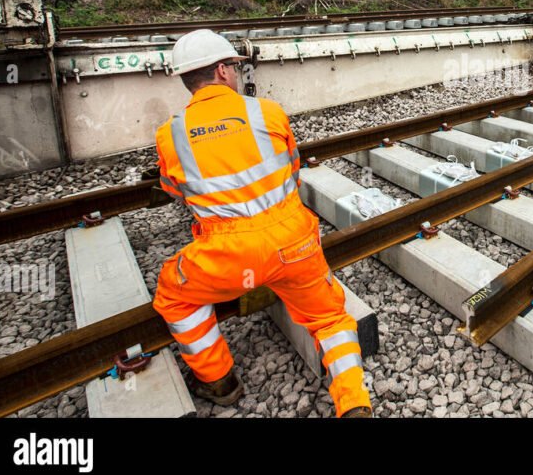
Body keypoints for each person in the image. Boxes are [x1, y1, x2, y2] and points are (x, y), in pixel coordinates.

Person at [152, 29, 373, 417]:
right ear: (221, 70)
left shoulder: (169, 135)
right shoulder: (267, 112)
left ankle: (220, 381)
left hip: (224, 255)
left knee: (174, 294)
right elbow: (292, 170)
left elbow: (174, 189)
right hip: (292, 243)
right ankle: (354, 403)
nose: (237, 73)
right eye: (234, 68)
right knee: (329, 318)